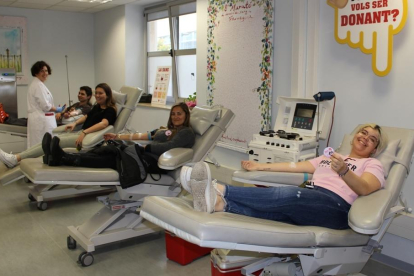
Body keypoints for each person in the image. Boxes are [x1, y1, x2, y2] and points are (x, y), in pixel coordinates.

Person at [182, 124, 388, 230]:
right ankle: (219, 204)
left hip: (336, 208)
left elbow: (364, 188)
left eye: (372, 139)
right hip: (312, 198)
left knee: (290, 196)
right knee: (280, 214)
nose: (365, 138)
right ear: (355, 135)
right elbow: (294, 166)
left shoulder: (372, 164)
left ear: (374, 150)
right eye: (363, 132)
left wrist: (344, 171)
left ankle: (219, 189)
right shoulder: (333, 157)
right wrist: (259, 166)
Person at [43, 102, 195, 172]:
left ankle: (63, 158)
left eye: (179, 114)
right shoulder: (166, 129)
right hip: (143, 155)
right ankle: (60, 157)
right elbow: (143, 135)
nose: (175, 117)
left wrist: (145, 147)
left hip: (154, 162)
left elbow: (169, 147)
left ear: (186, 115)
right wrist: (118, 135)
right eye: (173, 114)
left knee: (110, 156)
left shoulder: (186, 132)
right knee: (109, 149)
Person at [0, 83, 117, 169]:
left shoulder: (110, 110)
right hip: (81, 133)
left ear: (107, 95)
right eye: (96, 93)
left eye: (100, 93)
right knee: (48, 142)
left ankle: (15, 159)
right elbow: (87, 117)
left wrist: (84, 132)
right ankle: (17, 157)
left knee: (53, 142)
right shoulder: (97, 107)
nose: (97, 95)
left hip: (89, 139)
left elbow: (104, 124)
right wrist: (75, 123)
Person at [27, 61, 66, 148]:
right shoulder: (38, 85)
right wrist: (57, 109)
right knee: (42, 144)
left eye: (46, 71)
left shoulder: (38, 84)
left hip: (40, 118)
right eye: (42, 71)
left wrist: (55, 109)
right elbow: (45, 106)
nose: (45, 73)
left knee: (41, 144)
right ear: (36, 72)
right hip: (41, 120)